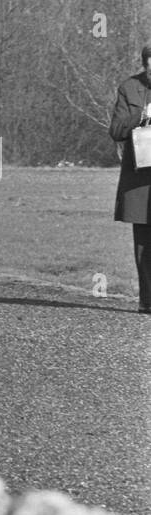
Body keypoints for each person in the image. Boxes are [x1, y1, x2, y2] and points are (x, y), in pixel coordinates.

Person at [108, 43, 151, 315]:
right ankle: (147, 300)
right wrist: (142, 114)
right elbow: (116, 130)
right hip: (142, 176)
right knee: (145, 239)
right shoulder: (129, 88)